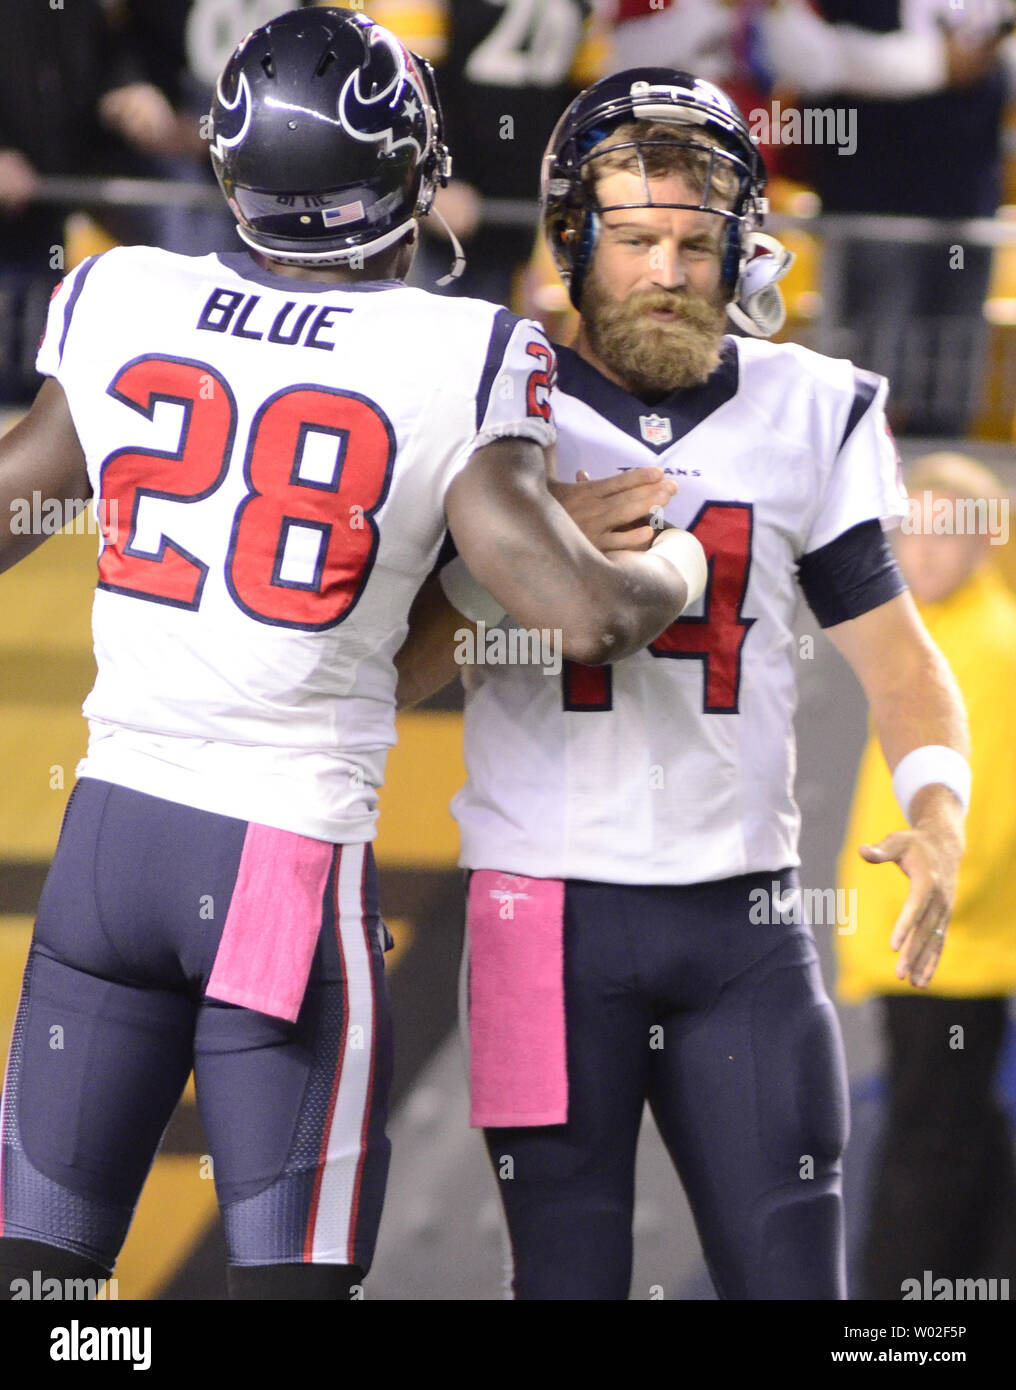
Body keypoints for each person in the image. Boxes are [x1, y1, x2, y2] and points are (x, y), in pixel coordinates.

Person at [0, 10, 700, 1302]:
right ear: (407, 172)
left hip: (107, 840)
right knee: (292, 1279)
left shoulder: (123, 293)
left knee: (40, 1282)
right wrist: (674, 565)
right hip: (275, 858)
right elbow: (590, 616)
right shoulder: (461, 349)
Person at [394, 68, 971, 1300]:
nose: (665, 268)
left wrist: (935, 804)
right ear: (569, 239)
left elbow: (899, 657)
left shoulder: (805, 407)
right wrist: (527, 554)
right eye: (636, 236)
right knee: (565, 1279)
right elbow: (397, 671)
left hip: (744, 925)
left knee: (791, 1278)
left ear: (739, 249)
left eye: (695, 240)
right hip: (535, 915)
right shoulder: (490, 399)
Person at [836, 452, 1016, 1300]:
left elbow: (992, 816)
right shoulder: (940, 641)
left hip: (946, 946)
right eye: (913, 531)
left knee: (927, 1147)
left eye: (950, 533)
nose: (925, 552)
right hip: (936, 940)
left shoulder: (990, 646)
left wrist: (929, 915)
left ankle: (900, 1321)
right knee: (956, 1136)